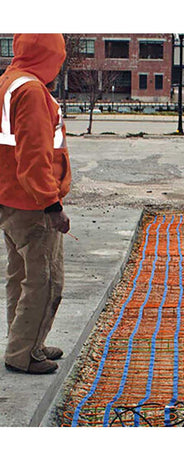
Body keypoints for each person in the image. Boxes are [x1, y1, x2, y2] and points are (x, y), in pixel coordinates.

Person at [0, 34, 71, 374]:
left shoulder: (9, 82)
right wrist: (51, 204)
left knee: (21, 275)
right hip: (31, 204)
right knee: (46, 280)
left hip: (10, 199)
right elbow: (34, 155)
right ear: (49, 55)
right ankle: (24, 354)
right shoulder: (30, 91)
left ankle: (26, 342)